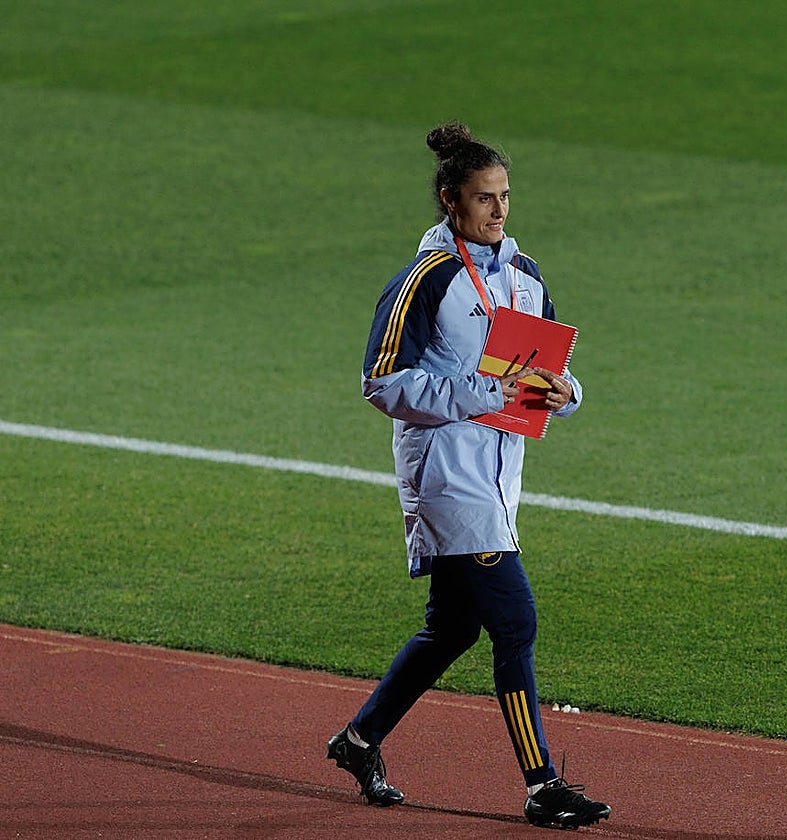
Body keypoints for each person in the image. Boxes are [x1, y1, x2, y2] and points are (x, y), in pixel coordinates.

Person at [326, 121, 611, 830]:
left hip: (499, 476)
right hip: (447, 478)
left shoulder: (525, 275)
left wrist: (566, 393)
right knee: (515, 622)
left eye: (506, 195)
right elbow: (381, 381)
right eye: (485, 198)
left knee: (452, 627)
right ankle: (542, 785)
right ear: (450, 201)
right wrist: (479, 396)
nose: (500, 210)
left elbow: (543, 370)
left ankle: (358, 741)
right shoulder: (426, 280)